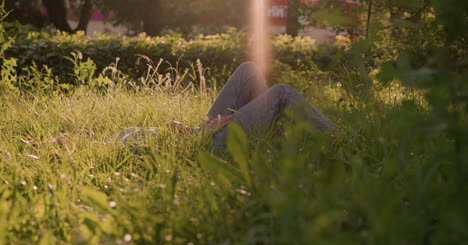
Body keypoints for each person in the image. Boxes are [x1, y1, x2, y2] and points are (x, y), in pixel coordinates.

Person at [111, 62, 336, 149]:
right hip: (207, 146)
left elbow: (167, 141)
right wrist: (199, 136)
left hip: (200, 133)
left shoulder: (124, 135)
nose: (82, 133)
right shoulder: (122, 142)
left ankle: (268, 132)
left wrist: (184, 130)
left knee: (248, 70)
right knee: (281, 93)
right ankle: (336, 136)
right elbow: (174, 154)